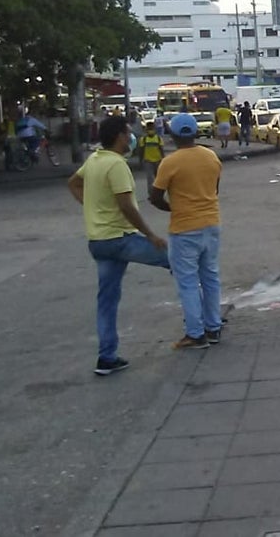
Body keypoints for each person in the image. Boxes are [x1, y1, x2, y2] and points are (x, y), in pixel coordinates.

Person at [67, 116, 170, 376]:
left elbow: (73, 183)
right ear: (119, 137)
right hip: (120, 238)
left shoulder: (95, 160)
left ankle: (107, 357)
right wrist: (150, 235)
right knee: (177, 259)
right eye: (127, 133)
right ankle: (204, 321)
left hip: (99, 241)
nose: (131, 137)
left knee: (107, 300)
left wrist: (93, 207)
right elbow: (126, 206)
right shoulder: (116, 164)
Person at [150, 113, 224, 350]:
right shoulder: (211, 156)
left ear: (172, 134)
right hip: (211, 223)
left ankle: (195, 333)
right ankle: (213, 327)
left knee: (188, 282)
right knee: (210, 277)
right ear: (195, 133)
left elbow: (154, 196)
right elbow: (214, 189)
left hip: (184, 229)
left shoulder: (170, 162)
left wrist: (173, 207)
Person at [139, 121, 164, 192]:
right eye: (149, 129)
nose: (150, 131)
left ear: (155, 129)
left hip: (158, 160)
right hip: (148, 161)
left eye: (152, 129)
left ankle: (158, 193)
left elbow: (161, 149)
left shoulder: (158, 138)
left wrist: (163, 159)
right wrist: (141, 160)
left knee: (158, 179)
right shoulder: (143, 139)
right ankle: (151, 193)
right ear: (146, 130)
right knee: (150, 179)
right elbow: (141, 150)